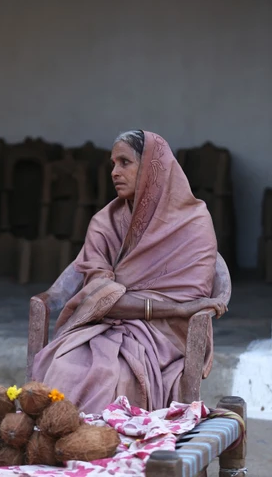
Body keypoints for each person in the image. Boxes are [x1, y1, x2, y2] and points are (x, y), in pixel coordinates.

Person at [32, 130, 227, 413]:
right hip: (102, 323)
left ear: (151, 168)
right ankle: (64, 443)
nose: (114, 172)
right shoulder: (106, 221)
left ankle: (109, 446)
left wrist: (121, 301)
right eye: (113, 164)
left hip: (164, 336)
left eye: (124, 162)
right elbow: (96, 292)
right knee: (65, 363)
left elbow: (188, 301)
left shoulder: (193, 223)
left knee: (112, 375)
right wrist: (159, 307)